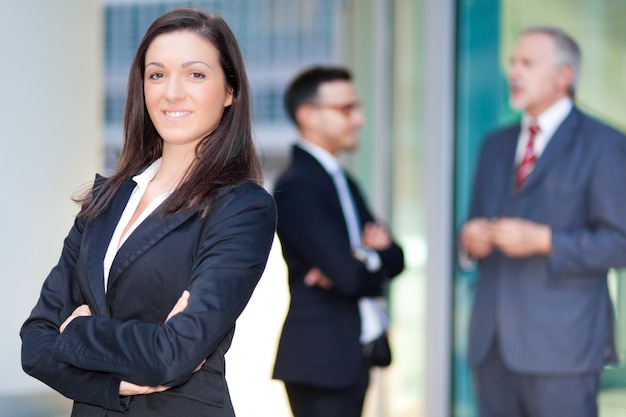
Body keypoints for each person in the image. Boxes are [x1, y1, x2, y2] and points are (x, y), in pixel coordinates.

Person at [20, 8, 276, 417]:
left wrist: (78, 331)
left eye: (195, 74)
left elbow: (175, 355)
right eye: (156, 75)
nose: (171, 92)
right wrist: (115, 383)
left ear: (230, 91)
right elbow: (34, 342)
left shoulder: (242, 207)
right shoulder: (104, 199)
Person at [460, 26, 626, 417]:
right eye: (512, 62)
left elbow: (620, 241)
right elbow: (472, 225)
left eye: (527, 63)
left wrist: (545, 240)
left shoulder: (603, 144)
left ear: (563, 76)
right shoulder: (494, 145)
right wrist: (469, 242)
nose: (513, 72)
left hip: (563, 350)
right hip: (491, 347)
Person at [271, 66, 405, 417]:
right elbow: (348, 275)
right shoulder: (299, 185)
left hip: (351, 354)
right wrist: (364, 260)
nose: (359, 119)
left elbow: (396, 257)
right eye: (347, 109)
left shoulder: (341, 178)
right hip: (321, 361)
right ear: (308, 116)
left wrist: (366, 260)